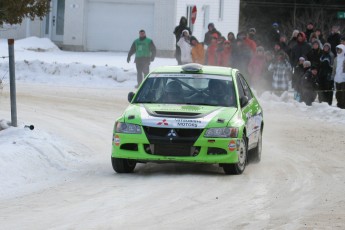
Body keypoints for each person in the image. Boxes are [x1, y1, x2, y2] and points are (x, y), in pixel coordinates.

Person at [331, 44, 345, 109]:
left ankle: (343, 105)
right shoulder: (336, 59)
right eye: (338, 50)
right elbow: (334, 68)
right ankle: (339, 104)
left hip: (343, 79)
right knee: (338, 93)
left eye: (340, 50)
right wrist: (333, 76)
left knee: (343, 93)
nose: (339, 51)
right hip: (337, 78)